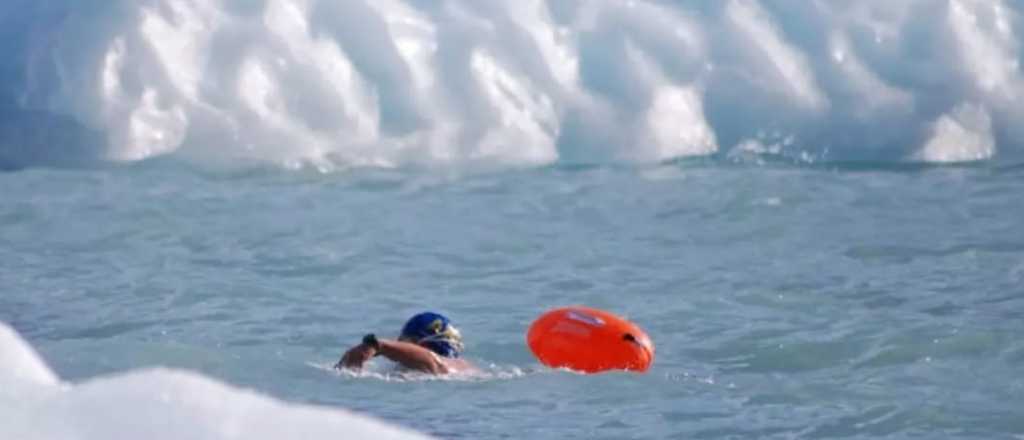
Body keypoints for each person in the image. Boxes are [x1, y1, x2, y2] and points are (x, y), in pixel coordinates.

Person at [336, 312, 472, 375]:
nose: (399, 343)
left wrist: (378, 345)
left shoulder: (438, 365)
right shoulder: (465, 369)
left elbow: (429, 358)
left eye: (404, 341)